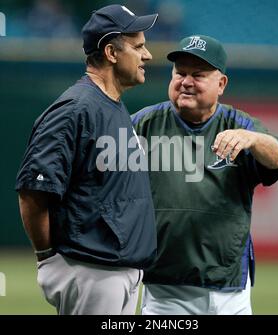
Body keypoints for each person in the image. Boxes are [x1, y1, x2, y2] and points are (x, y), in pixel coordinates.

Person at [15, 4, 158, 315]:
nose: (147, 55)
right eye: (138, 46)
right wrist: (47, 256)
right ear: (111, 52)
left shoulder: (113, 105)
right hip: (91, 270)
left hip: (119, 270)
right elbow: (32, 191)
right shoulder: (75, 109)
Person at [132, 34, 278, 315]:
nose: (186, 81)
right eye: (180, 73)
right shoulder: (144, 124)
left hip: (229, 288)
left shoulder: (239, 125)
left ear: (221, 84)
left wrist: (251, 139)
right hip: (166, 291)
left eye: (198, 74)